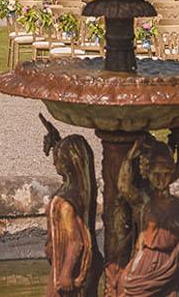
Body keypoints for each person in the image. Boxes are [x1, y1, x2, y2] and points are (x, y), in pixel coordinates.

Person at [116, 128, 179, 297]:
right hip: (147, 262)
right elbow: (123, 186)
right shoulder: (144, 201)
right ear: (147, 173)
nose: (161, 179)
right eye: (156, 174)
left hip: (172, 263)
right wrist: (129, 157)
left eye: (166, 174)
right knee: (127, 286)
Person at [40, 115, 100, 297]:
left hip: (67, 269)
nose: (54, 162)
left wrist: (66, 274)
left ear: (68, 164)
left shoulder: (66, 203)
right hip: (62, 263)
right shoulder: (81, 188)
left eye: (58, 159)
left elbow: (77, 241)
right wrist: (57, 142)